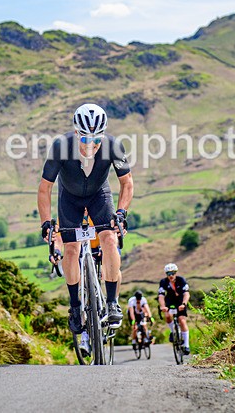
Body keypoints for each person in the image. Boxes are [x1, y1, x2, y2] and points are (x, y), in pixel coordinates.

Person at [38, 103, 134, 333]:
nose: (90, 145)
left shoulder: (112, 146)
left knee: (110, 238)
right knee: (71, 249)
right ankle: (75, 306)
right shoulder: (61, 147)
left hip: (99, 195)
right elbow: (45, 189)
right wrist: (46, 223)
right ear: (75, 133)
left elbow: (126, 183)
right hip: (69, 198)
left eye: (96, 140)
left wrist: (121, 212)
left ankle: (111, 303)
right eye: (84, 140)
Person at [158, 263, 191, 355]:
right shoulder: (163, 282)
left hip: (180, 301)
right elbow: (161, 296)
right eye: (168, 274)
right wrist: (163, 306)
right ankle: (173, 332)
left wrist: (184, 304)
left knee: (182, 320)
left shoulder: (181, 280)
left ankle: (186, 345)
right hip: (170, 301)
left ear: (175, 273)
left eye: (172, 273)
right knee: (168, 316)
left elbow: (186, 294)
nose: (171, 276)